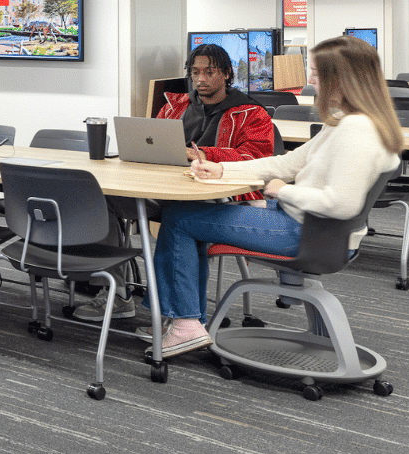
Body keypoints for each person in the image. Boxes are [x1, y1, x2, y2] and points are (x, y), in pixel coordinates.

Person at [152, 36, 401, 357]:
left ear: (340, 79)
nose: (310, 81)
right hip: (311, 227)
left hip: (309, 233)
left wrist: (286, 191)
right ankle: (185, 319)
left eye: (315, 73)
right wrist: (222, 170)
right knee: (192, 217)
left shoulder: (356, 130)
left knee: (181, 219)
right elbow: (286, 162)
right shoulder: (348, 123)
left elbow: (342, 204)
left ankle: (185, 322)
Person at [73, 43, 276, 322]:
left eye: (210, 72)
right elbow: (155, 146)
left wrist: (202, 154)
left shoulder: (250, 113)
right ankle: (117, 293)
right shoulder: (175, 106)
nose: (201, 79)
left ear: (228, 74)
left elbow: (256, 157)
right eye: (195, 72)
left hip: (217, 197)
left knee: (179, 217)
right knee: (100, 201)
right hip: (166, 189)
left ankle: (178, 315)